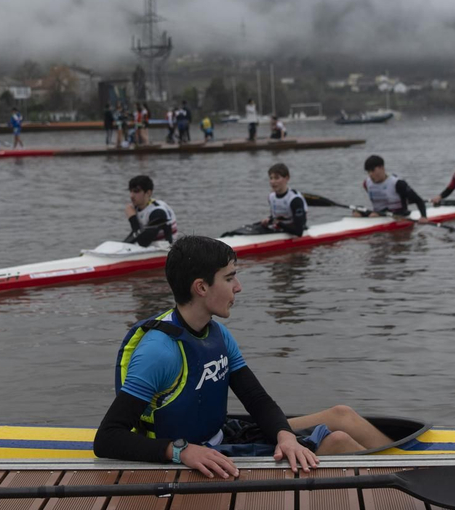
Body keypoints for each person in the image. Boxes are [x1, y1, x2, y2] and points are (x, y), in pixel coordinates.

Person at [94, 235, 392, 474]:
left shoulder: (217, 334)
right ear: (201, 287)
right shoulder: (160, 352)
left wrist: (284, 436)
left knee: (341, 415)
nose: (239, 287)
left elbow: (257, 400)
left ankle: (417, 464)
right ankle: (405, 490)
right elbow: (108, 438)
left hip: (224, 435)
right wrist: (181, 451)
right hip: (199, 459)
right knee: (337, 443)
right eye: (229, 278)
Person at [224, 162, 309, 237]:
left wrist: (278, 223)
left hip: (294, 229)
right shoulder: (271, 197)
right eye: (271, 178)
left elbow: (299, 232)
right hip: (279, 227)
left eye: (276, 178)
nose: (272, 181)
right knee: (243, 229)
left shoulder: (295, 200)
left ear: (287, 178)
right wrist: (269, 219)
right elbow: (277, 216)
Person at [357, 155, 430, 217]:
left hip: (398, 214)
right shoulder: (366, 183)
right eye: (368, 171)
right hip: (378, 214)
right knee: (357, 212)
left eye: (372, 170)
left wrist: (423, 217)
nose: (370, 174)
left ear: (382, 168)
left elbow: (418, 200)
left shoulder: (398, 183)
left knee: (374, 215)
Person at [123, 174, 177, 247]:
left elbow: (143, 242)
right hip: (150, 245)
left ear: (148, 193)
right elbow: (136, 234)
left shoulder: (158, 212)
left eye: (136, 191)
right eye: (131, 191)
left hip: (165, 250)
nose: (131, 196)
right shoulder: (138, 207)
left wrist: (132, 218)